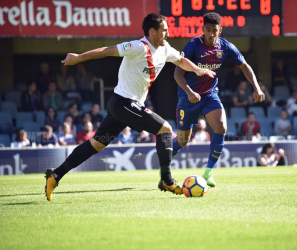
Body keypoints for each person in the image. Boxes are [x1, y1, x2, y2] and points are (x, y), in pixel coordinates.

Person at [44, 13, 216, 201]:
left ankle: (56, 174)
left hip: (124, 105)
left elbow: (181, 61)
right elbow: (105, 51)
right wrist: (78, 58)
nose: (168, 32)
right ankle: (166, 180)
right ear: (152, 32)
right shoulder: (138, 47)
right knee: (165, 129)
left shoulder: (165, 48)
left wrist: (198, 70)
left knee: (96, 144)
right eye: (164, 30)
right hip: (123, 103)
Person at [171, 12, 265, 187]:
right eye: (208, 30)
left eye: (214, 30)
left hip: (209, 94)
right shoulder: (192, 46)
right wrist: (189, 92)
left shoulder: (225, 47)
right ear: (203, 29)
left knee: (221, 126)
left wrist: (256, 87)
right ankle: (166, 153)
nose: (211, 34)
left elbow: (245, 66)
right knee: (182, 141)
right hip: (188, 97)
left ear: (220, 30)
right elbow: (177, 73)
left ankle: (208, 172)